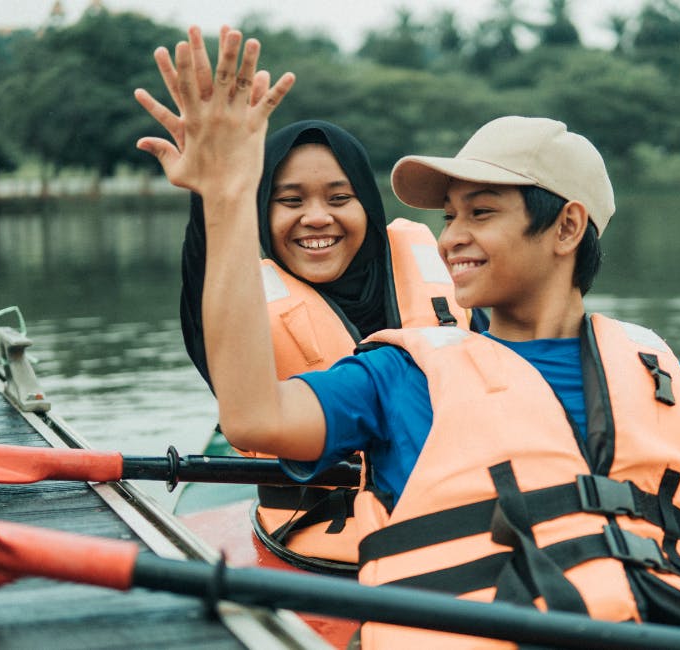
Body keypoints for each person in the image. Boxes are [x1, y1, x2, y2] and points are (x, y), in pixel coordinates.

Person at [135, 26, 680, 650]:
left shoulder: (670, 384)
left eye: (481, 213)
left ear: (566, 226)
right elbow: (250, 416)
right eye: (449, 218)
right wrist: (228, 200)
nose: (450, 240)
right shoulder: (402, 373)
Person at [164, 37, 480, 573]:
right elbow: (207, 283)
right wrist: (215, 193)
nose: (316, 218)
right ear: (261, 212)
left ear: (369, 206)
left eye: (339, 198)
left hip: (459, 536)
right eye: (290, 201)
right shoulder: (239, 309)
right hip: (320, 553)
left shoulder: (444, 273)